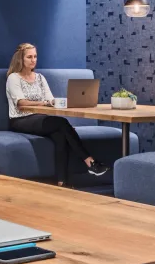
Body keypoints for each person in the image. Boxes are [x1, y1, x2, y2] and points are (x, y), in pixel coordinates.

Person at [6, 43, 107, 186]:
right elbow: (21, 103)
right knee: (62, 123)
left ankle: (62, 183)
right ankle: (90, 161)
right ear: (20, 59)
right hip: (20, 119)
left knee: (60, 135)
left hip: (40, 118)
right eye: (29, 57)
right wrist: (43, 103)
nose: (33, 60)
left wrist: (62, 101)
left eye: (35, 56)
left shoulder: (40, 78)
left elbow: (50, 99)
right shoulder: (13, 78)